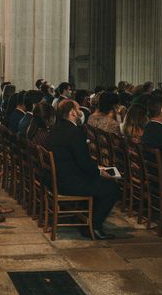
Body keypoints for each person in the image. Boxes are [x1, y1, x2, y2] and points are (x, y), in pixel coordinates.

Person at [45, 100, 118, 239]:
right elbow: (83, 162)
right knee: (111, 188)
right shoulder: (74, 132)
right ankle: (93, 227)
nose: (81, 112)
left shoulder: (56, 128)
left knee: (98, 180)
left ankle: (85, 219)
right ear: (72, 113)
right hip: (69, 183)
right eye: (78, 109)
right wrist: (99, 171)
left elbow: (77, 159)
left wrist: (96, 168)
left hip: (57, 178)